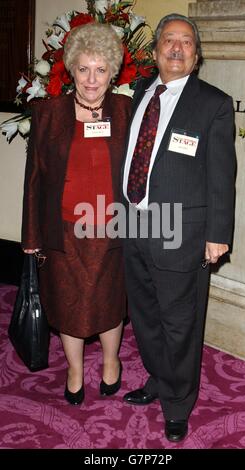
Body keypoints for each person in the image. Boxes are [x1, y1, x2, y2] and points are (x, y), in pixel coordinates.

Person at [122, 13, 236, 442]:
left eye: (186, 42)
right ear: (154, 53)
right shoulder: (138, 94)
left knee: (179, 322)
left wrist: (217, 234)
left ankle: (178, 401)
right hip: (132, 225)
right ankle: (159, 377)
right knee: (146, 315)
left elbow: (222, 175)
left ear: (197, 55)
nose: (176, 48)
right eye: (168, 40)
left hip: (181, 234)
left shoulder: (213, 103)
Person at [22, 23, 131, 405]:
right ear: (71, 69)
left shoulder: (125, 110)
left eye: (101, 70)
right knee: (69, 303)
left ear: (112, 72)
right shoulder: (49, 113)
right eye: (84, 68)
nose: (92, 79)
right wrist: (31, 237)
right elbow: (34, 178)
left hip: (112, 228)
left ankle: (112, 362)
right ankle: (73, 369)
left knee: (109, 300)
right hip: (64, 230)